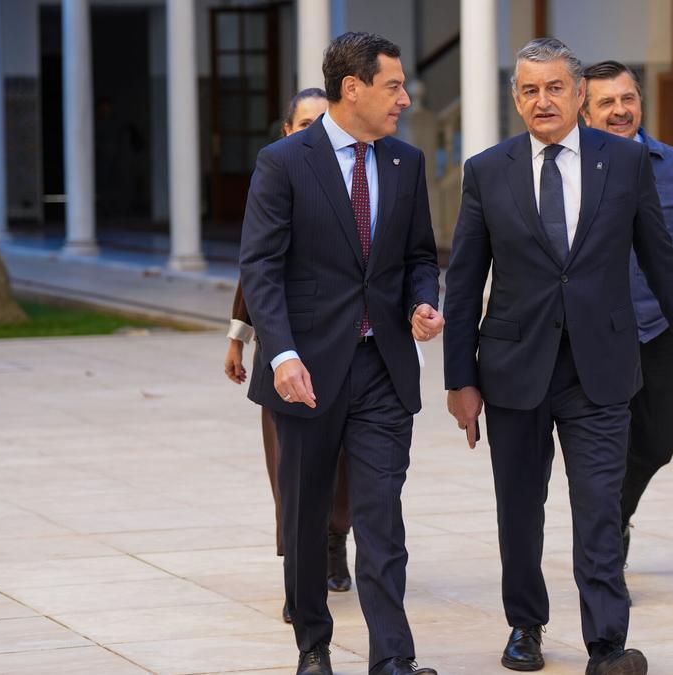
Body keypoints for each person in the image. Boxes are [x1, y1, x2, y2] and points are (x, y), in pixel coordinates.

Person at [442, 38, 673, 675]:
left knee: (601, 508)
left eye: (555, 87)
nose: (543, 100)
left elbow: (664, 265)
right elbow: (464, 282)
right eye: (530, 90)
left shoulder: (625, 163)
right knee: (519, 509)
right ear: (515, 99)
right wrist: (459, 379)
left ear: (578, 95)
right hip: (513, 369)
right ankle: (525, 625)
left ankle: (607, 644)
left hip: (600, 369)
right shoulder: (487, 170)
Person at [238, 31, 444, 675]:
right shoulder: (283, 162)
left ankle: (393, 659)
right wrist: (280, 355)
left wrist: (422, 301)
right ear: (352, 88)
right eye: (394, 86)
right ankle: (314, 648)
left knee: (382, 517)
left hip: (383, 367)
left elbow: (419, 256)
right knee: (306, 519)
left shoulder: (406, 163)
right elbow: (261, 268)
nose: (405, 99)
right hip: (306, 373)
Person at [579, 61, 673, 593]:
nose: (620, 110)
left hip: (654, 328)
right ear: (584, 112)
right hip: (592, 333)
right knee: (603, 446)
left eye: (628, 99)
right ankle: (603, 547)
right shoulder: (572, 168)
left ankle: (613, 519)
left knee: (657, 443)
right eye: (606, 102)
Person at [225, 87, 349, 629]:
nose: (314, 133)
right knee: (288, 471)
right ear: (286, 131)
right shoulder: (278, 173)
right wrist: (238, 337)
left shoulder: (354, 179)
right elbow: (256, 266)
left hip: (345, 347)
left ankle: (336, 541)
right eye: (304, 124)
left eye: (323, 122)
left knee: (344, 464)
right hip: (283, 351)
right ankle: (298, 573)